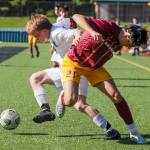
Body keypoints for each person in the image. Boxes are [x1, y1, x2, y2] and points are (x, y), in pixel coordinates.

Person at [26, 14, 121, 140]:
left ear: (44, 31)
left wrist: (76, 36)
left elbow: (75, 31)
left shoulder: (56, 33)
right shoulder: (55, 28)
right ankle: (46, 110)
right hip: (64, 69)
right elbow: (70, 23)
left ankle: (62, 97)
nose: (36, 39)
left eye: (37, 35)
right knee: (36, 78)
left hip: (73, 71)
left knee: (79, 104)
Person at [58, 14, 147, 144]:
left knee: (116, 96)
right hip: (74, 62)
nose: (129, 47)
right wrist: (92, 31)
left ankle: (133, 133)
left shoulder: (120, 41)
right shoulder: (107, 26)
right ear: (127, 36)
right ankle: (63, 96)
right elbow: (76, 16)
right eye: (130, 44)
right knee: (70, 100)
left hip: (94, 68)